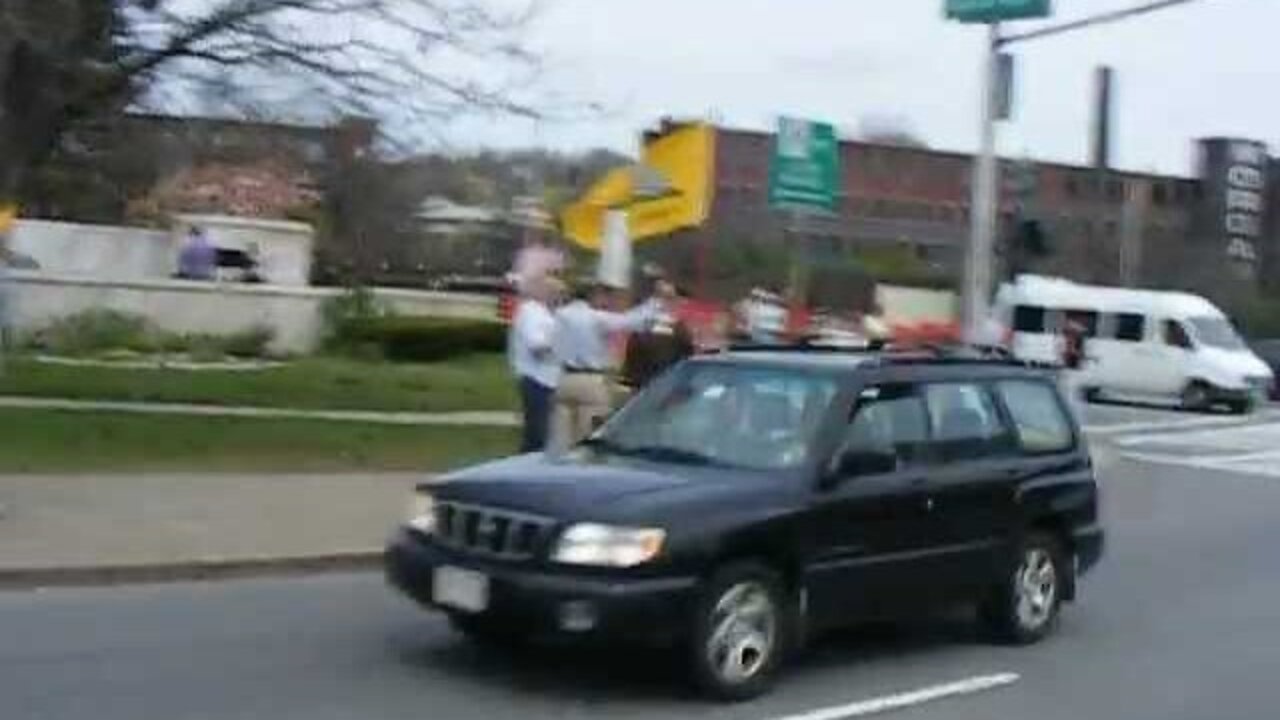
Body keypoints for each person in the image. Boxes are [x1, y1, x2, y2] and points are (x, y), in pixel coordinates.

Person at [551, 278, 668, 452]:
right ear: (594, 296)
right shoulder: (596, 318)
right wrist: (655, 301)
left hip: (563, 378)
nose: (606, 301)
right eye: (604, 296)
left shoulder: (560, 315)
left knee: (561, 436)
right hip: (590, 380)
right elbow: (630, 321)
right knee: (588, 435)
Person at [509, 275, 564, 453]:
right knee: (537, 435)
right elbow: (537, 347)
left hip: (551, 380)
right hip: (535, 379)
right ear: (543, 292)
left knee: (546, 435)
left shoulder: (552, 314)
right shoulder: (531, 312)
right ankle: (522, 471)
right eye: (556, 292)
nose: (560, 297)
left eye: (562, 293)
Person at [621, 279, 694, 391]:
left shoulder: (641, 325)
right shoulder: (679, 329)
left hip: (645, 384)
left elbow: (631, 354)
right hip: (667, 384)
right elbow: (687, 353)